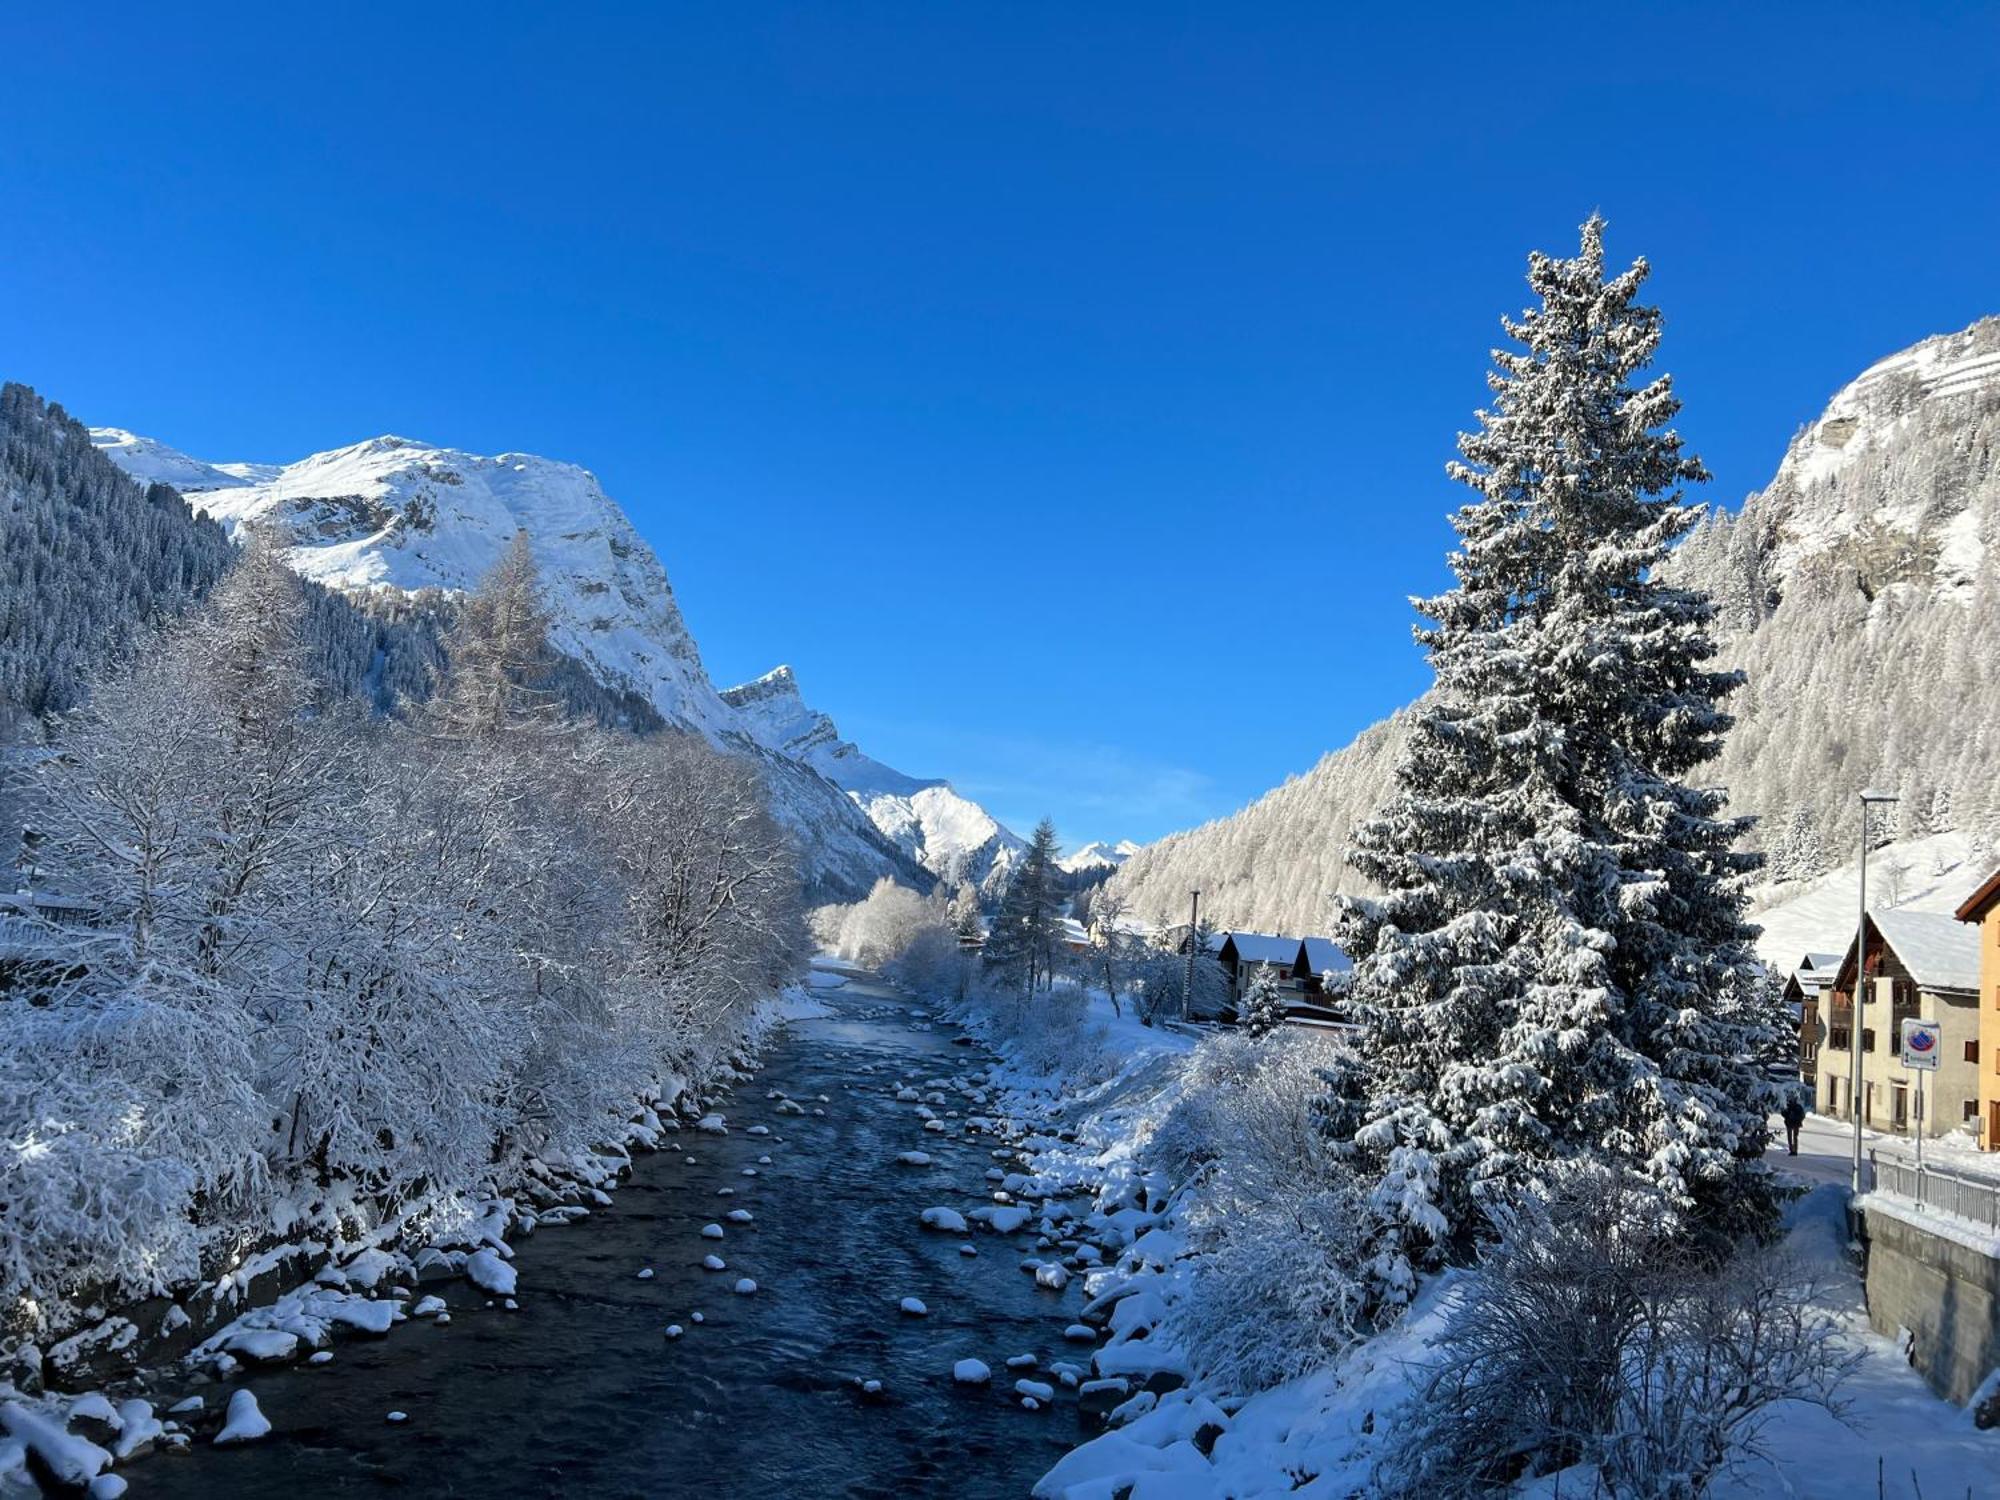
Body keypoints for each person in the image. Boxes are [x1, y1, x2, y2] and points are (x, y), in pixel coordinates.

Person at [1782, 1091, 1806, 1156]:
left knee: (1794, 1137)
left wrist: (1797, 1118)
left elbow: (1802, 1115)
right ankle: (1793, 1150)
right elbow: (1783, 1113)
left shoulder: (1797, 1107)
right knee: (1791, 1138)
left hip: (1795, 1124)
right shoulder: (1789, 1107)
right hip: (1791, 1123)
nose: (1791, 1100)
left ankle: (1794, 1151)